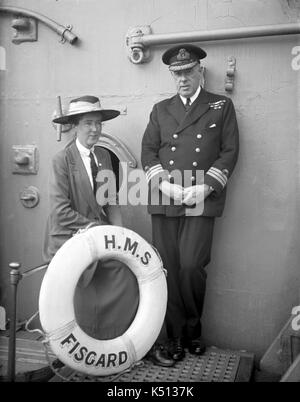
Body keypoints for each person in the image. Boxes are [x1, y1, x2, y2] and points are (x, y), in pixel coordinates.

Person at [141, 44, 239, 364]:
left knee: (191, 267)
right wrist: (164, 184)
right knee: (167, 267)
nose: (182, 79)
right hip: (165, 196)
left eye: (187, 72)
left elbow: (229, 151)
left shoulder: (221, 106)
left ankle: (192, 331)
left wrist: (205, 188)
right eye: (176, 74)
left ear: (200, 72)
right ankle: (173, 338)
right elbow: (149, 152)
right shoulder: (160, 109)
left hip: (199, 198)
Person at [43, 95, 139, 341]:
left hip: (99, 237)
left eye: (98, 123)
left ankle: (113, 341)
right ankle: (87, 342)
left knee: (126, 272)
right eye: (88, 123)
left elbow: (111, 201)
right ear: (75, 125)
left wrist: (120, 237)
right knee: (89, 283)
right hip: (69, 239)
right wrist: (99, 230)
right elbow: (60, 211)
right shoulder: (61, 161)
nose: (95, 129)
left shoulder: (104, 157)